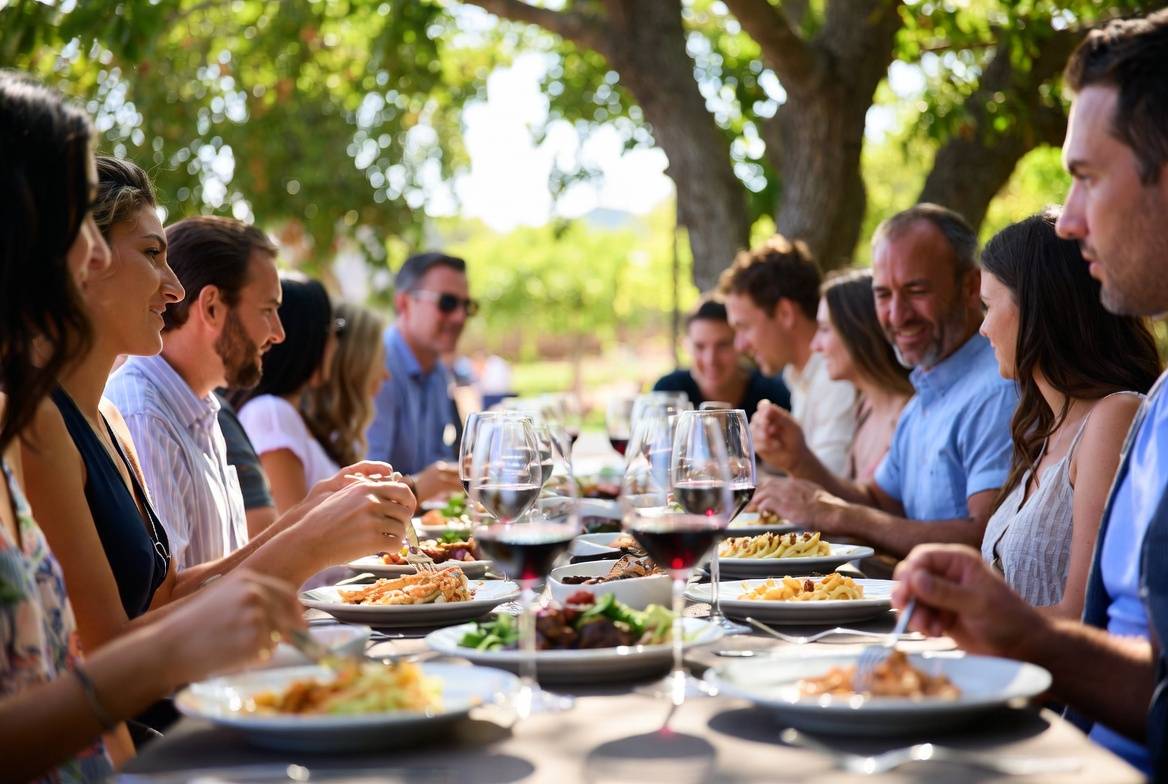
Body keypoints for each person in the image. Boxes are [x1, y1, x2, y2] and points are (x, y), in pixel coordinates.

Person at [0, 70, 305, 782]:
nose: (94, 254)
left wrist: (311, 527)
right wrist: (302, 545)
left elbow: (85, 681)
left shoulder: (49, 419)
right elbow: (106, 663)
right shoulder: (40, 425)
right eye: (77, 221)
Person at [892, 11, 1168, 776]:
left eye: (1085, 177)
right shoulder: (1156, 407)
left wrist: (1020, 637)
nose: (1069, 222)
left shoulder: (1121, 416)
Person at [751, 204, 1017, 558]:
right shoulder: (926, 390)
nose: (896, 315)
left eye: (916, 291)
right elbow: (879, 503)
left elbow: (986, 537)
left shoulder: (996, 388)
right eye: (883, 295)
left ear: (969, 286)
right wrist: (799, 460)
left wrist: (836, 513)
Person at [977, 210, 1158, 618]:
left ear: (1039, 305)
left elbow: (1083, 613)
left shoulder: (1113, 418)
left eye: (989, 306)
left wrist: (964, 613)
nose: (983, 328)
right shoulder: (1045, 428)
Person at [748, 270, 912, 485]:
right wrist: (791, 457)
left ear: (858, 332)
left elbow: (870, 508)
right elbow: (857, 500)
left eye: (824, 329)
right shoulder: (866, 408)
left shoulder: (907, 414)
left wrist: (796, 460)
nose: (815, 345)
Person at [719, 235, 856, 475]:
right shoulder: (800, 375)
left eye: (744, 327)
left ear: (784, 313)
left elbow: (829, 488)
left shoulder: (836, 376)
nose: (739, 345)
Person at [231, 276, 341, 513]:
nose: (336, 343)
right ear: (308, 338)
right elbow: (293, 525)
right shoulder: (272, 413)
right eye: (334, 330)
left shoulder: (288, 411)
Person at [368, 252, 471, 501]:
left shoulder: (437, 371)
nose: (460, 316)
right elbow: (369, 486)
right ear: (404, 304)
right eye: (447, 303)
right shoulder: (375, 368)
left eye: (467, 306)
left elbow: (436, 463)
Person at [653, 296, 791, 420]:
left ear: (740, 344)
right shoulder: (667, 393)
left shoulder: (774, 395)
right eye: (700, 347)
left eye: (722, 345)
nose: (711, 359)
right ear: (686, 346)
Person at [303, 303, 390, 468]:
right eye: (380, 360)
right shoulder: (287, 421)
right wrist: (415, 487)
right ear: (356, 365)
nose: (386, 375)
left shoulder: (344, 433)